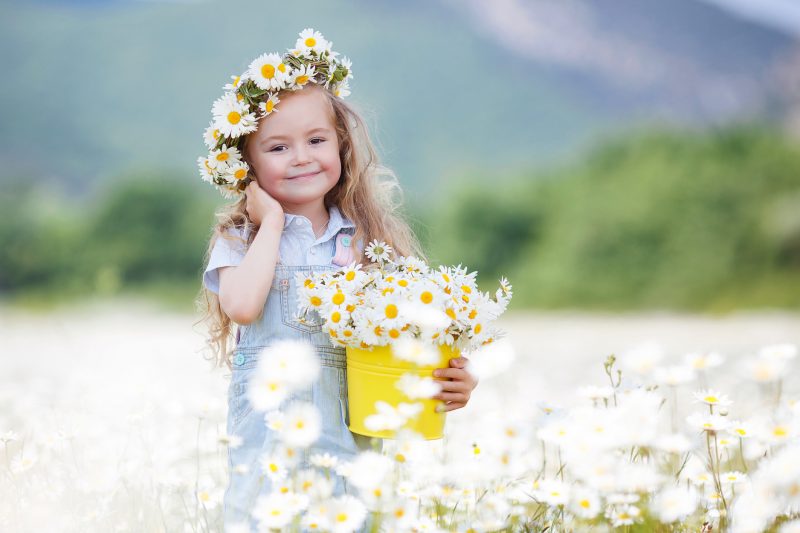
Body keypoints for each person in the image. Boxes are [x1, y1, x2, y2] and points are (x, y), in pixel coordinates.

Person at [197, 29, 478, 527]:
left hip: (352, 445)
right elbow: (241, 305)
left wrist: (455, 377)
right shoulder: (243, 238)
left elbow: (415, 334)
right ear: (247, 165)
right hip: (270, 445)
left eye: (317, 140)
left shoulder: (369, 241)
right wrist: (273, 224)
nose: (302, 156)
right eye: (278, 147)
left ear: (342, 146)